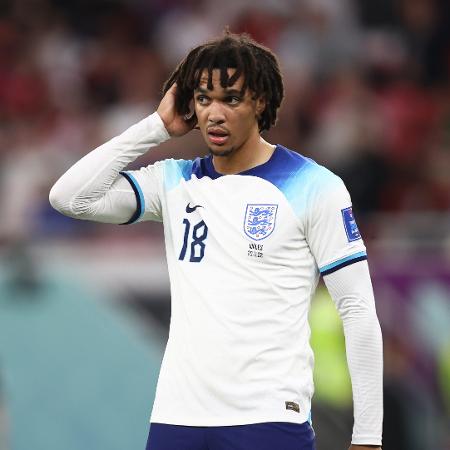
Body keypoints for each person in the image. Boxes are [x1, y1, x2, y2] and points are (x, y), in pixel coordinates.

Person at [49, 31, 383, 450]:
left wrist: (368, 436)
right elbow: (69, 197)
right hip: (177, 417)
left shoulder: (315, 186)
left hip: (267, 418)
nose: (214, 114)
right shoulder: (174, 180)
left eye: (230, 98)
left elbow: (356, 308)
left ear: (260, 101)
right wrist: (156, 127)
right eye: (204, 99)